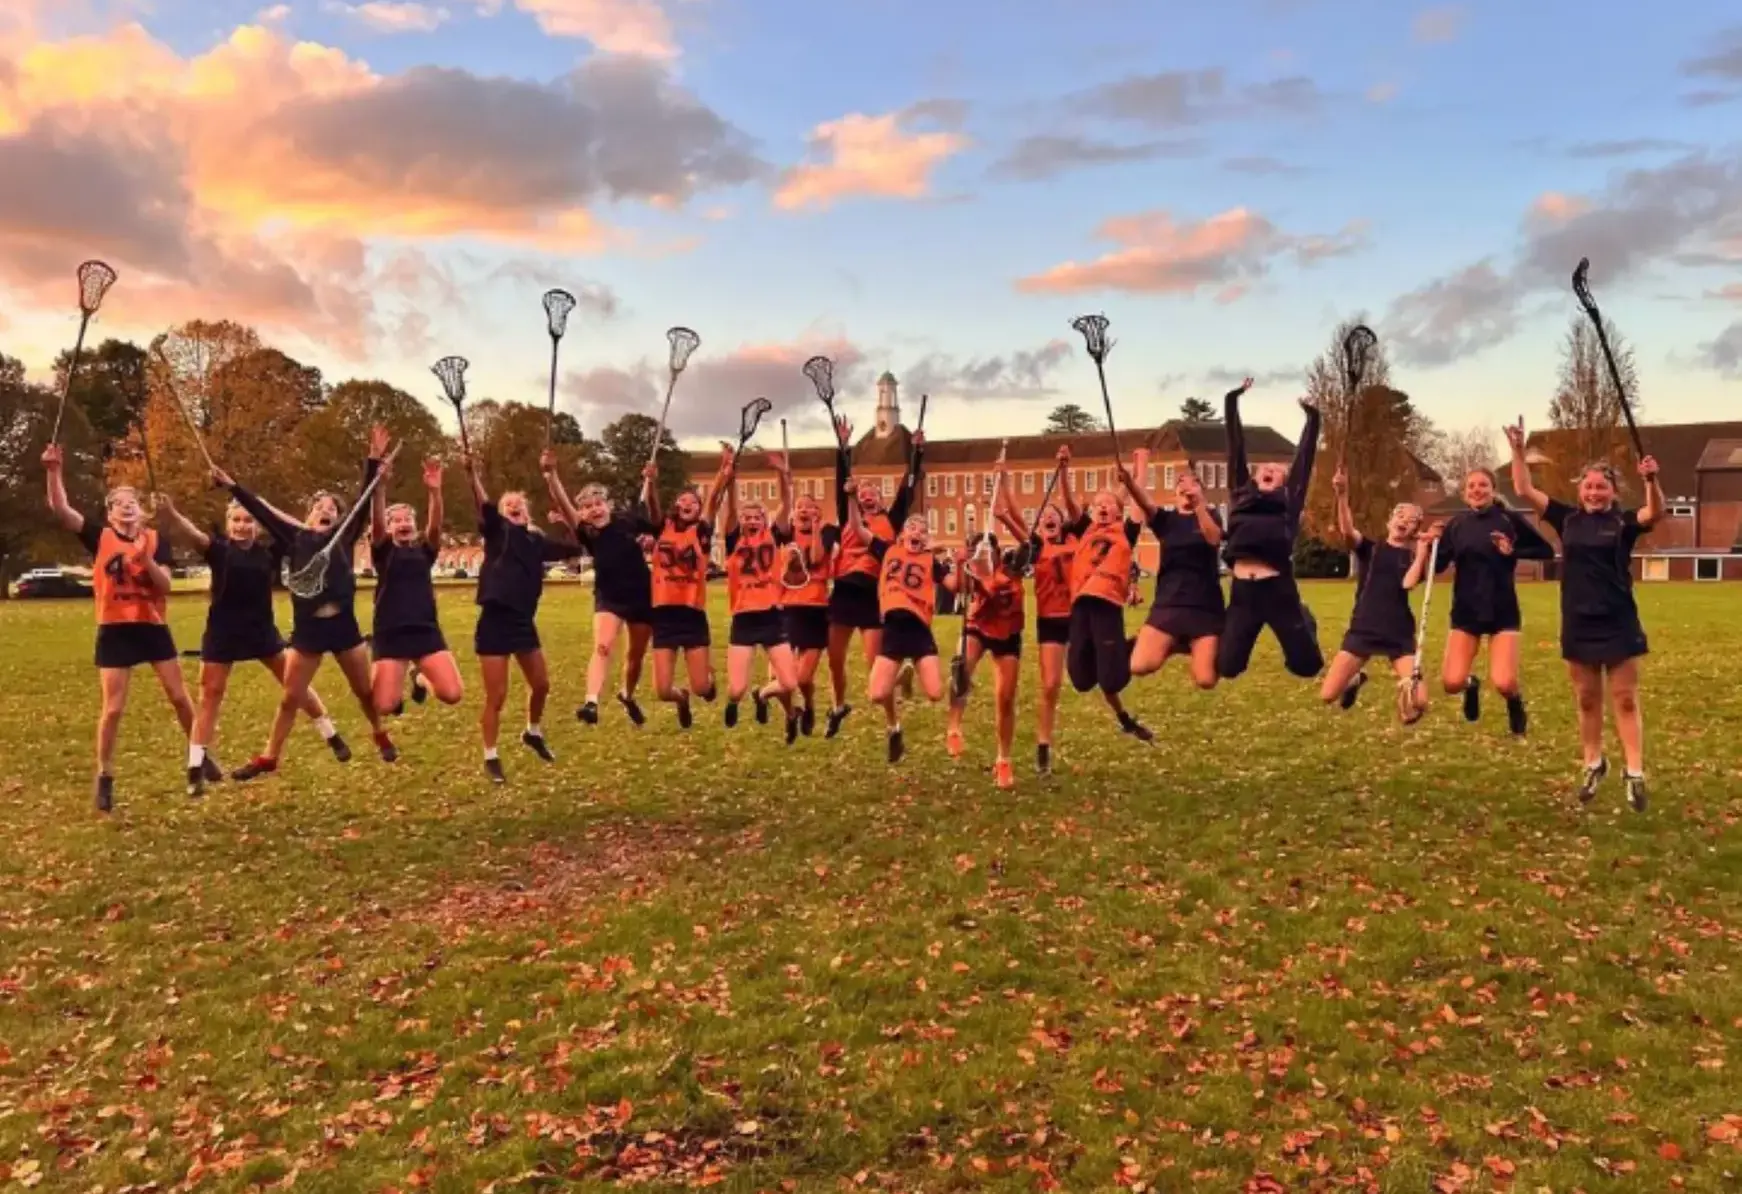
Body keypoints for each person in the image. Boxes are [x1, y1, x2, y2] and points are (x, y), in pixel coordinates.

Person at [220, 425, 398, 780]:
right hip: (309, 631)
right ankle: (270, 756)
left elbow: (364, 496)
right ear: (309, 514)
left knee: (363, 691)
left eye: (332, 508)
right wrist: (232, 486)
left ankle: (379, 731)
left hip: (343, 627)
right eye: (319, 507)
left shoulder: (345, 537)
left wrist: (373, 460)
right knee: (290, 697)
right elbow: (262, 512)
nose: (326, 510)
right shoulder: (296, 538)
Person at [1507, 423, 1663, 810]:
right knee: (1588, 698)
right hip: (1578, 621)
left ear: (1612, 492)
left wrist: (1652, 481)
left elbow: (1654, 511)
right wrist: (1517, 451)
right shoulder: (1565, 518)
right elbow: (1525, 489)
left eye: (1602, 487)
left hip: (1618, 620)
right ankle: (1593, 762)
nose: (1594, 492)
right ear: (1581, 490)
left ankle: (1635, 771)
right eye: (1589, 486)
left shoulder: (1623, 522)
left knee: (1625, 699)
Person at [156, 491, 349, 798]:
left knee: (294, 685)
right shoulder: (218, 549)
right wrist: (172, 513)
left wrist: (308, 513)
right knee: (210, 696)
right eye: (236, 520)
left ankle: (331, 733)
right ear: (228, 522)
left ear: (257, 526)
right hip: (222, 634)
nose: (241, 526)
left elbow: (304, 532)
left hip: (261, 632)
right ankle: (195, 768)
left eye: (248, 520)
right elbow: (193, 535)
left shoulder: (271, 551)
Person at [41, 444, 196, 812]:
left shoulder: (157, 540)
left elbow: (166, 585)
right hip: (115, 628)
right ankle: (105, 774)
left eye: (133, 501)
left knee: (179, 697)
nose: (127, 505)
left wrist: (146, 560)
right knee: (112, 709)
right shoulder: (100, 536)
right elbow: (61, 510)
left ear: (141, 510)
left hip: (152, 627)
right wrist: (53, 472)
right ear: (110, 514)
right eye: (119, 502)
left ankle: (199, 753)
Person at [463, 455, 586, 784]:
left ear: (527, 512)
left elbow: (577, 545)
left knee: (542, 685)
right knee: (497, 696)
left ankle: (532, 732)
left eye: (518, 503)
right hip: (493, 622)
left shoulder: (535, 541)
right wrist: (473, 473)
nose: (513, 505)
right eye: (508, 504)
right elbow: (484, 504)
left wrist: (566, 518)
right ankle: (491, 755)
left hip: (522, 624)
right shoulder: (497, 533)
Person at [824, 415, 926, 738]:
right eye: (863, 492)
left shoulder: (892, 520)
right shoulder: (848, 515)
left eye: (873, 492)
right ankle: (838, 706)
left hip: (872, 596)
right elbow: (844, 483)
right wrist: (843, 446)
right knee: (835, 660)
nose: (868, 495)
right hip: (843, 592)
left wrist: (916, 454)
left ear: (880, 500)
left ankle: (893, 724)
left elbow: (907, 489)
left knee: (874, 666)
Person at [1217, 380, 1325, 680]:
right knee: (1227, 667)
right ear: (1254, 475)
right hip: (1243, 593)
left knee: (1308, 667)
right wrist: (1232, 399)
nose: (1269, 469)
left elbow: (1305, 458)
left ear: (1283, 481)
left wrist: (1312, 418)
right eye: (1264, 467)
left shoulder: (1289, 500)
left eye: (1277, 470)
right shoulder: (1240, 493)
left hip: (1278, 591)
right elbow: (1235, 446)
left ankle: (1305, 618)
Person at [1434, 467, 1554, 734]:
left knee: (1504, 683)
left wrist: (1512, 552)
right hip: (1466, 612)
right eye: (1471, 486)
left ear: (1493, 490)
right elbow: (1437, 565)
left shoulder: (1508, 520)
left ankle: (1514, 701)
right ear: (1465, 494)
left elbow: (1545, 550)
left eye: (1483, 485)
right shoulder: (1456, 526)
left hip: (1502, 611)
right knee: (1451, 682)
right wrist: (1428, 545)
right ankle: (1471, 684)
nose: (1477, 490)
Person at [543, 453, 656, 727]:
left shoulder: (628, 520)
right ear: (583, 513)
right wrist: (552, 475)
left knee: (635, 655)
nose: (595, 509)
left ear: (608, 505)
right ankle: (591, 702)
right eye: (589, 506)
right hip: (609, 596)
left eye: (599, 503)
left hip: (641, 595)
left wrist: (650, 481)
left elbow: (649, 513)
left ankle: (627, 695)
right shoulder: (587, 533)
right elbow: (564, 503)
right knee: (603, 646)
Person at [1318, 466, 1436, 723]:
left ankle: (1405, 692)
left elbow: (1407, 584)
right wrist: (1342, 494)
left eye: (1411, 519)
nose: (1404, 520)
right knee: (1327, 695)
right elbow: (1348, 531)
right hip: (1364, 629)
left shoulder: (1413, 558)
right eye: (1399, 515)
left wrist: (1423, 550)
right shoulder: (1370, 549)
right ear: (1389, 521)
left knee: (1420, 701)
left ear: (1416, 529)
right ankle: (1354, 680)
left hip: (1398, 634)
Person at [847, 491, 958, 764]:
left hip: (919, 630)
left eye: (923, 530)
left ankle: (927, 674)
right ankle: (900, 680)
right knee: (876, 695)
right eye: (912, 528)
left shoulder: (931, 561)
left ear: (927, 538)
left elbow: (954, 586)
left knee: (935, 694)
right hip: (893, 629)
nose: (917, 532)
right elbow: (859, 530)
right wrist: (851, 499)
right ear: (902, 534)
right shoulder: (888, 550)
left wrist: (960, 562)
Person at [368, 457, 463, 732]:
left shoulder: (425, 550)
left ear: (415, 524)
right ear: (388, 528)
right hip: (390, 633)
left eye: (407, 519)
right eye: (395, 520)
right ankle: (397, 673)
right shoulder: (383, 552)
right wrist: (380, 487)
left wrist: (434, 492)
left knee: (452, 695)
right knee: (385, 705)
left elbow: (436, 526)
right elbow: (375, 523)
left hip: (425, 631)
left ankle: (419, 678)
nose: (402, 523)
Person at [947, 449, 1023, 789]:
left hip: (1008, 633)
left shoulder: (1012, 566)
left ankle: (1003, 759)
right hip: (978, 625)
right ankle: (953, 726)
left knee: (1005, 698)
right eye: (980, 552)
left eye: (989, 551)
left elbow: (1030, 542)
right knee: (961, 666)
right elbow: (955, 588)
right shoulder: (972, 570)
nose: (985, 556)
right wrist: (961, 564)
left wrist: (1003, 481)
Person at [995, 446, 1073, 775]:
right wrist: (1004, 480)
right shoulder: (1035, 547)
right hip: (1051, 622)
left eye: (1053, 516)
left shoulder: (1075, 540)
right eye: (1043, 518)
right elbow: (1012, 515)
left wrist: (1064, 469)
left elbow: (1070, 506)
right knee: (1051, 684)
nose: (1048, 519)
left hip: (1080, 616)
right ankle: (1043, 742)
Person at [1065, 463, 1154, 743]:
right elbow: (1069, 504)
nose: (1103, 507)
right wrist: (1064, 468)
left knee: (1112, 680)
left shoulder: (1125, 532)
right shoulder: (1086, 532)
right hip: (1080, 607)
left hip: (1107, 607)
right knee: (1080, 681)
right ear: (1091, 512)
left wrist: (1135, 474)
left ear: (1119, 511)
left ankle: (1129, 648)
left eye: (1109, 504)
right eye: (1097, 504)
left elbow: (1138, 503)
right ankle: (1123, 648)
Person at [645, 453, 731, 728]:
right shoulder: (663, 528)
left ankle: (707, 682)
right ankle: (680, 699)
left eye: (693, 501)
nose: (687, 503)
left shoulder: (702, 533)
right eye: (683, 500)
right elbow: (651, 506)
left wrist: (722, 471)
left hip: (692, 613)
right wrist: (651, 482)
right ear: (676, 506)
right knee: (662, 691)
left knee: (702, 688)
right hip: (663, 615)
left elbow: (714, 500)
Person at [1124, 464, 1225, 691]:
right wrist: (1130, 483)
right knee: (1139, 665)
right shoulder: (1166, 520)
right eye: (1181, 482)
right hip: (1169, 602)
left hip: (1205, 605)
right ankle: (1173, 642)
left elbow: (1214, 539)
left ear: (1202, 491)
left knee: (1206, 679)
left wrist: (1199, 505)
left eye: (1194, 482)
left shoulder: (1212, 516)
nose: (1186, 485)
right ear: (1175, 494)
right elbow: (1145, 503)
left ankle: (1185, 641)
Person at [720, 451, 799, 740]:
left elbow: (787, 502)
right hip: (743, 619)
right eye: (747, 516)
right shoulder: (733, 540)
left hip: (772, 617)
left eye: (757, 516)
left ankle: (763, 694)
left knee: (789, 683)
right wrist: (730, 479)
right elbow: (728, 510)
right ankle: (734, 701)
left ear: (764, 519)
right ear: (741, 520)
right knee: (735, 689)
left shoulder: (773, 536)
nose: (752, 520)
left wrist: (781, 473)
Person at [763, 488, 837, 735]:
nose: (804, 509)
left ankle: (809, 705)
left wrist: (815, 528)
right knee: (778, 675)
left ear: (819, 512)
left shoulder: (826, 532)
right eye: (800, 506)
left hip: (815, 609)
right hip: (785, 609)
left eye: (810, 506)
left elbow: (816, 559)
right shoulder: (784, 536)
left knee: (803, 679)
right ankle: (791, 714)